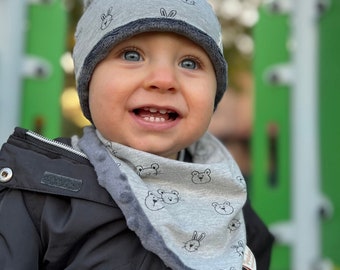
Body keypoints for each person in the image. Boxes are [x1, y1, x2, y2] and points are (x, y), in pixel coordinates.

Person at [0, 0, 273, 269]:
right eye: (132, 56)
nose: (164, 80)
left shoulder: (231, 206)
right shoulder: (38, 193)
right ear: (88, 80)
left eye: (189, 63)